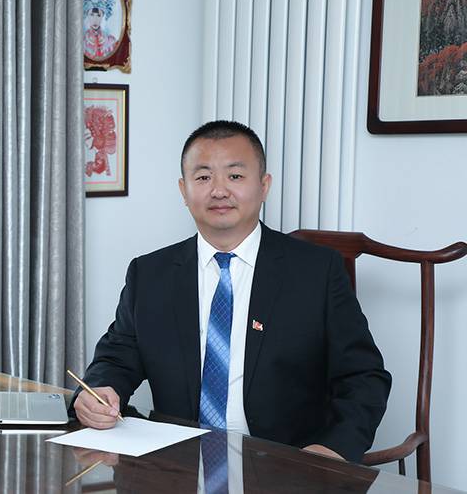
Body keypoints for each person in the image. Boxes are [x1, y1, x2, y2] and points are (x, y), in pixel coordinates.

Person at [71, 120, 391, 463]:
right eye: (203, 177)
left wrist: (332, 449)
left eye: (235, 176)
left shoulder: (316, 271)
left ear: (264, 186)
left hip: (285, 465)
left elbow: (363, 377)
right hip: (178, 465)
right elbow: (116, 358)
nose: (219, 191)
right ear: (183, 190)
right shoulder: (150, 274)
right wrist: (98, 391)